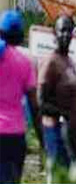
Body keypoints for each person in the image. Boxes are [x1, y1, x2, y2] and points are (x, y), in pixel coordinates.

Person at [39, 15, 76, 183]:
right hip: (57, 135)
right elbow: (42, 103)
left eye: (68, 31)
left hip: (74, 139)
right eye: (61, 30)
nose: (65, 34)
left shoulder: (70, 62)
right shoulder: (50, 63)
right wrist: (65, 114)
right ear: (54, 33)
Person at [0, 10, 42, 184]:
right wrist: (42, 139)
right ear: (20, 36)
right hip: (14, 136)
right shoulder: (25, 63)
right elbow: (34, 105)